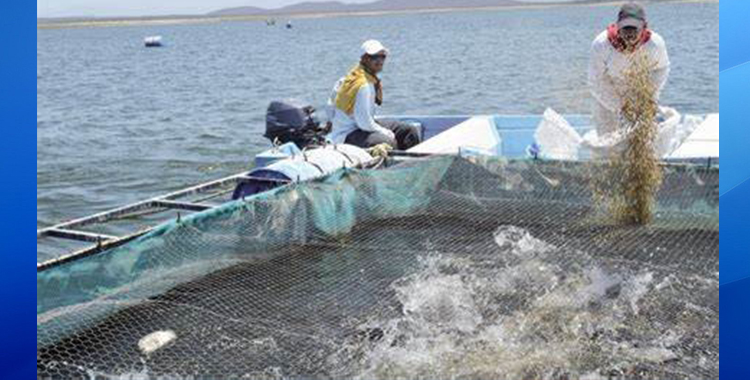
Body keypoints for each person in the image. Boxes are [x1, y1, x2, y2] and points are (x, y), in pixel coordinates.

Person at [588, 2, 670, 147]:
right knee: (609, 143)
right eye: (625, 30)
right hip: (607, 96)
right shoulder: (601, 44)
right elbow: (596, 82)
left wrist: (649, 96)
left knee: (642, 142)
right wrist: (621, 106)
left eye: (634, 30)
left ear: (644, 28)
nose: (629, 36)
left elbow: (661, 69)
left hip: (638, 93)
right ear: (617, 27)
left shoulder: (655, 44)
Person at [325, 40, 421, 150]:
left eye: (382, 56)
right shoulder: (363, 85)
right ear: (364, 59)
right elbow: (364, 123)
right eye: (374, 57)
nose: (380, 60)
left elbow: (329, 109)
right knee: (388, 141)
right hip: (349, 134)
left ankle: (412, 161)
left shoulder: (347, 78)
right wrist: (384, 131)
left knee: (408, 130)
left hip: (357, 128)